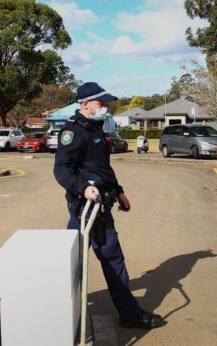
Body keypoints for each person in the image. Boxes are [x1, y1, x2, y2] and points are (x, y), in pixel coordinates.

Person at [53, 82, 165, 330]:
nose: (105, 108)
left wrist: (119, 191)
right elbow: (62, 169)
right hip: (87, 207)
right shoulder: (74, 132)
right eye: (101, 104)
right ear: (85, 105)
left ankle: (55, 307)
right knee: (109, 257)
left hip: (99, 203)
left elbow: (102, 169)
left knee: (71, 256)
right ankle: (128, 314)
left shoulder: (95, 128)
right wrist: (82, 188)